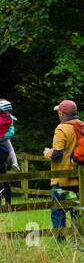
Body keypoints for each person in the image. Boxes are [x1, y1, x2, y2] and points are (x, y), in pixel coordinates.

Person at [43, 98, 81, 241]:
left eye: (59, 111)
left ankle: (60, 241)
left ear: (63, 113)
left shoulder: (61, 129)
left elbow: (57, 154)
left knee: (58, 210)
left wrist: (47, 152)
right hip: (79, 178)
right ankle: (79, 238)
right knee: (77, 210)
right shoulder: (81, 126)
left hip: (62, 178)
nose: (58, 114)